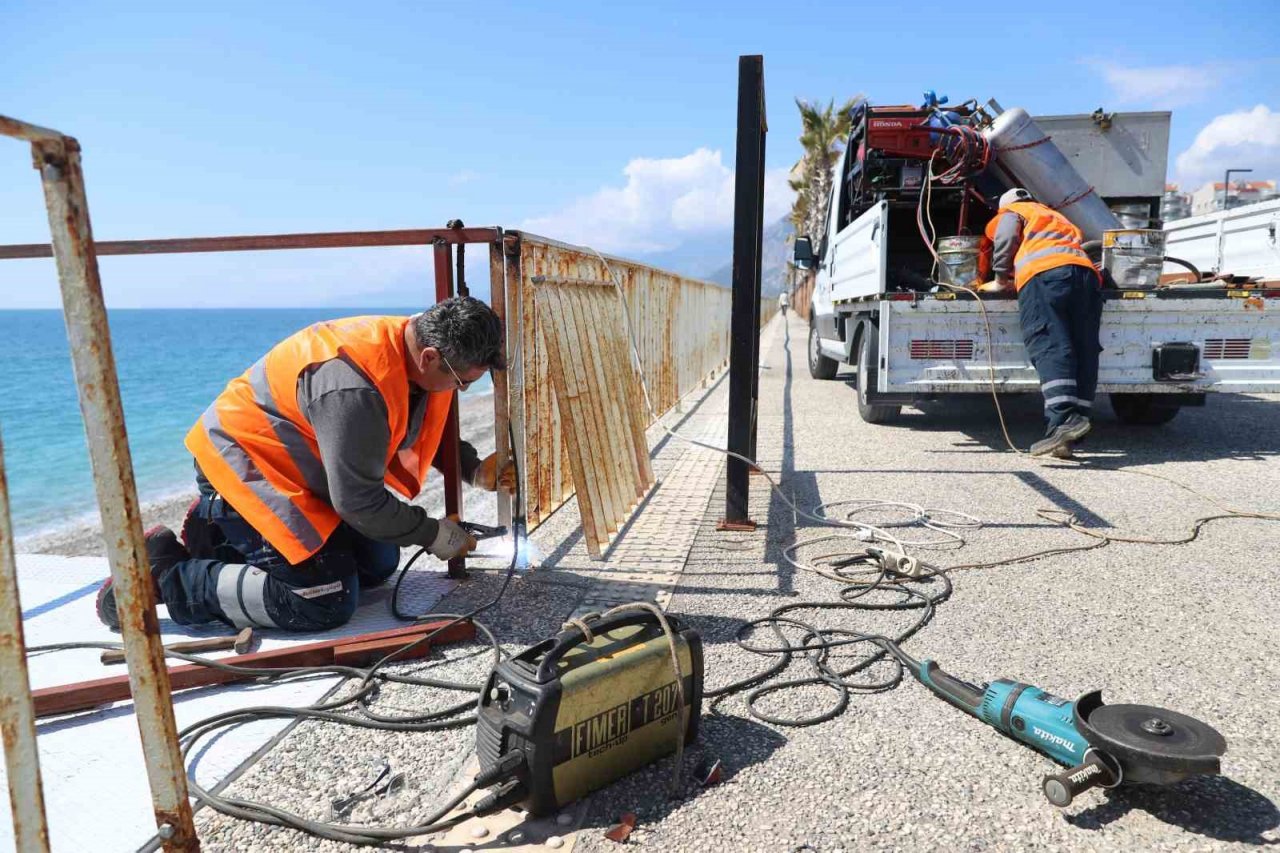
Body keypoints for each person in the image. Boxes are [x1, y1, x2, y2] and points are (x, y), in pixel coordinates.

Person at [96, 297, 516, 632]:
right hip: (246, 464)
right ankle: (165, 574)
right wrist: (433, 534)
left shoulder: (414, 345)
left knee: (378, 564)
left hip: (302, 469)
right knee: (323, 599)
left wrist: (472, 469)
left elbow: (425, 415)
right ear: (429, 357)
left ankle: (219, 532)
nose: (460, 392)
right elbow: (359, 503)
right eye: (464, 383)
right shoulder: (355, 386)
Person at [981, 188, 1103, 458]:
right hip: (1086, 276)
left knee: (1048, 343)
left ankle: (1062, 421)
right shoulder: (1056, 216)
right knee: (1084, 348)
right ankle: (1077, 423)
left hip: (1045, 275)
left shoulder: (1014, 212)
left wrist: (1001, 277)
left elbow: (1005, 236)